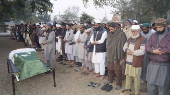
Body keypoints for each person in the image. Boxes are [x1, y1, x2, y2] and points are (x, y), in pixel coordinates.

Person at [145, 18, 170, 95]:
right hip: (152, 64)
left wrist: (155, 50)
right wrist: (153, 51)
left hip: (163, 66)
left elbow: (168, 49)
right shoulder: (154, 35)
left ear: (165, 26)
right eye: (157, 27)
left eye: (160, 27)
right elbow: (147, 46)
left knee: (162, 87)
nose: (158, 29)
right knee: (150, 86)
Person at [123, 25, 147, 95]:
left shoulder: (143, 39)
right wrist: (127, 49)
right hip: (128, 61)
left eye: (135, 31)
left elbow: (142, 51)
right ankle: (128, 91)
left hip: (137, 62)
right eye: (132, 31)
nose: (133, 33)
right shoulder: (129, 38)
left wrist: (132, 52)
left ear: (139, 31)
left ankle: (136, 93)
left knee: (136, 78)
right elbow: (124, 46)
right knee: (128, 77)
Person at [105, 22, 127, 90]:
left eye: (111, 29)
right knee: (110, 68)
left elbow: (122, 45)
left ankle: (118, 83)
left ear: (115, 27)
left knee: (118, 70)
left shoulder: (121, 34)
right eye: (109, 29)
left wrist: (122, 56)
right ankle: (110, 79)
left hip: (117, 55)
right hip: (110, 53)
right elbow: (107, 43)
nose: (110, 30)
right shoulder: (109, 34)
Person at [140, 23, 153, 92]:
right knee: (142, 65)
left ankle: (147, 79)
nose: (144, 30)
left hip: (148, 53)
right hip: (140, 52)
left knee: (146, 66)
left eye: (145, 29)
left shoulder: (152, 34)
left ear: (149, 28)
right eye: (143, 29)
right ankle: (143, 78)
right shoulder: (141, 33)